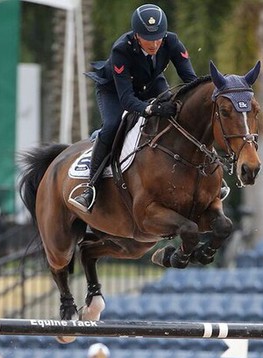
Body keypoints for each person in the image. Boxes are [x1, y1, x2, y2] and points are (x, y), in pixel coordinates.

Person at [70, 4, 228, 213]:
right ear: (136, 36)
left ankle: (215, 176)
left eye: (158, 38)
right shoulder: (121, 49)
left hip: (151, 84)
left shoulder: (171, 41)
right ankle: (90, 187)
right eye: (148, 38)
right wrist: (151, 110)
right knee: (112, 125)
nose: (154, 43)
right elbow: (127, 100)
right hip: (115, 91)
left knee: (185, 116)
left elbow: (191, 80)